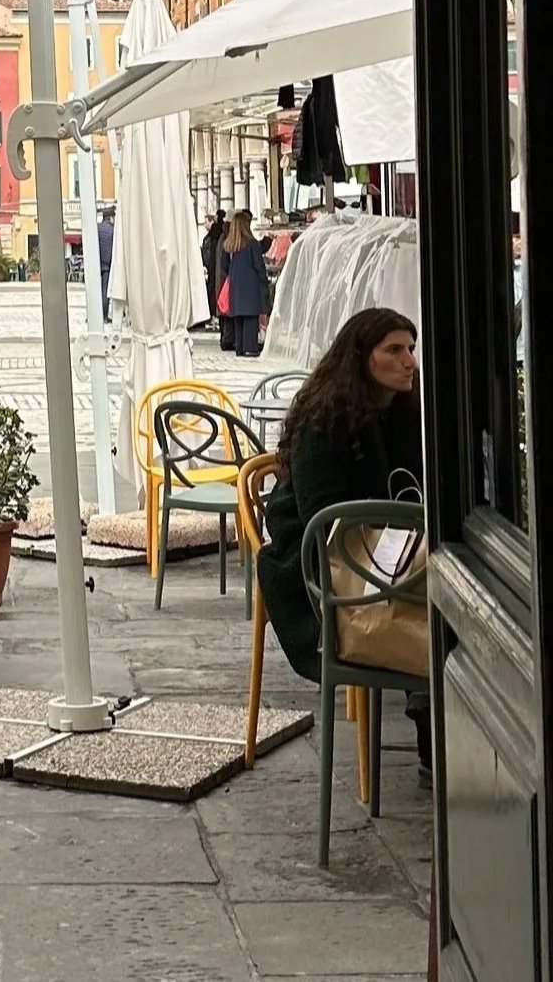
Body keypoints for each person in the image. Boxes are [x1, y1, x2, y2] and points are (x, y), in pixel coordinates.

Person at [255, 307, 429, 777]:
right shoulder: (324, 420)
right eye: (394, 350)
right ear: (361, 358)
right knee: (430, 604)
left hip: (381, 547)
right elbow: (322, 522)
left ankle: (432, 720)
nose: (409, 360)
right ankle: (432, 729)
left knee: (448, 591)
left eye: (411, 349)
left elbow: (411, 486)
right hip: (315, 562)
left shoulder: (402, 413)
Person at [217, 208, 270, 356]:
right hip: (251, 288)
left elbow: (224, 267)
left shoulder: (228, 245)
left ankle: (239, 348)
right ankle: (250, 349)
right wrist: (263, 282)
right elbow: (259, 266)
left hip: (235, 288)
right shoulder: (252, 244)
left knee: (238, 319)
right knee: (250, 319)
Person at [96, 208, 115, 320]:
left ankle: (94, 315)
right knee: (105, 291)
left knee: (95, 291)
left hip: (97, 264)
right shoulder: (113, 230)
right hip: (107, 264)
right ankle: (104, 315)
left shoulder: (97, 228)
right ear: (111, 217)